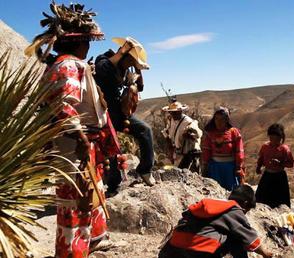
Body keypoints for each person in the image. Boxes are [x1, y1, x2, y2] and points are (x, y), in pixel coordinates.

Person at [25, 3, 119, 256]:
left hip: (82, 142)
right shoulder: (69, 65)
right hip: (74, 145)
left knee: (89, 194)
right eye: (87, 41)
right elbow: (64, 105)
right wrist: (79, 137)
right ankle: (70, 252)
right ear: (79, 43)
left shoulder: (68, 64)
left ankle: (93, 241)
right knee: (76, 200)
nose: (89, 46)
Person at [94, 36, 155, 192]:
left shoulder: (126, 70)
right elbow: (103, 69)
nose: (130, 65)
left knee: (145, 130)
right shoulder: (105, 59)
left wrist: (138, 69)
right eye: (130, 61)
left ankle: (145, 169)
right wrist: (122, 53)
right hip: (103, 113)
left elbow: (140, 87)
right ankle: (113, 184)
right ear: (124, 55)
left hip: (120, 113)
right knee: (112, 149)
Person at [158, 185, 273, 258]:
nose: (244, 214)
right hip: (199, 250)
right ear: (245, 203)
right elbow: (248, 237)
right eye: (246, 211)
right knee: (236, 238)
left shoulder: (212, 203)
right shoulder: (233, 208)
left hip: (174, 247)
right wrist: (266, 254)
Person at [201, 107, 245, 191]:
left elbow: (239, 151)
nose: (218, 122)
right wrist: (205, 166)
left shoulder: (234, 132)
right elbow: (206, 151)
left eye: (222, 119)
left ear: (226, 120)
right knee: (216, 190)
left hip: (230, 168)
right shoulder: (210, 134)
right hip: (215, 168)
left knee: (231, 191)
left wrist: (238, 167)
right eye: (216, 119)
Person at [255, 123, 294, 208]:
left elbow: (291, 163)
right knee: (261, 200)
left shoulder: (284, 149)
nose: (274, 141)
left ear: (281, 138)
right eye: (272, 138)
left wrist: (280, 163)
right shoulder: (265, 147)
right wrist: (258, 167)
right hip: (267, 176)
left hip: (280, 177)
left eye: (277, 139)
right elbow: (261, 158)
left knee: (280, 202)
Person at [161, 101, 202, 171]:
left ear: (180, 111)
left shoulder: (188, 122)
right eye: (171, 112)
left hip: (190, 153)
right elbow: (167, 133)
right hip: (178, 153)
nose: (173, 114)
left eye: (176, 112)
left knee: (187, 174)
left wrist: (190, 135)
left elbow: (199, 134)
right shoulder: (171, 120)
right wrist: (170, 148)